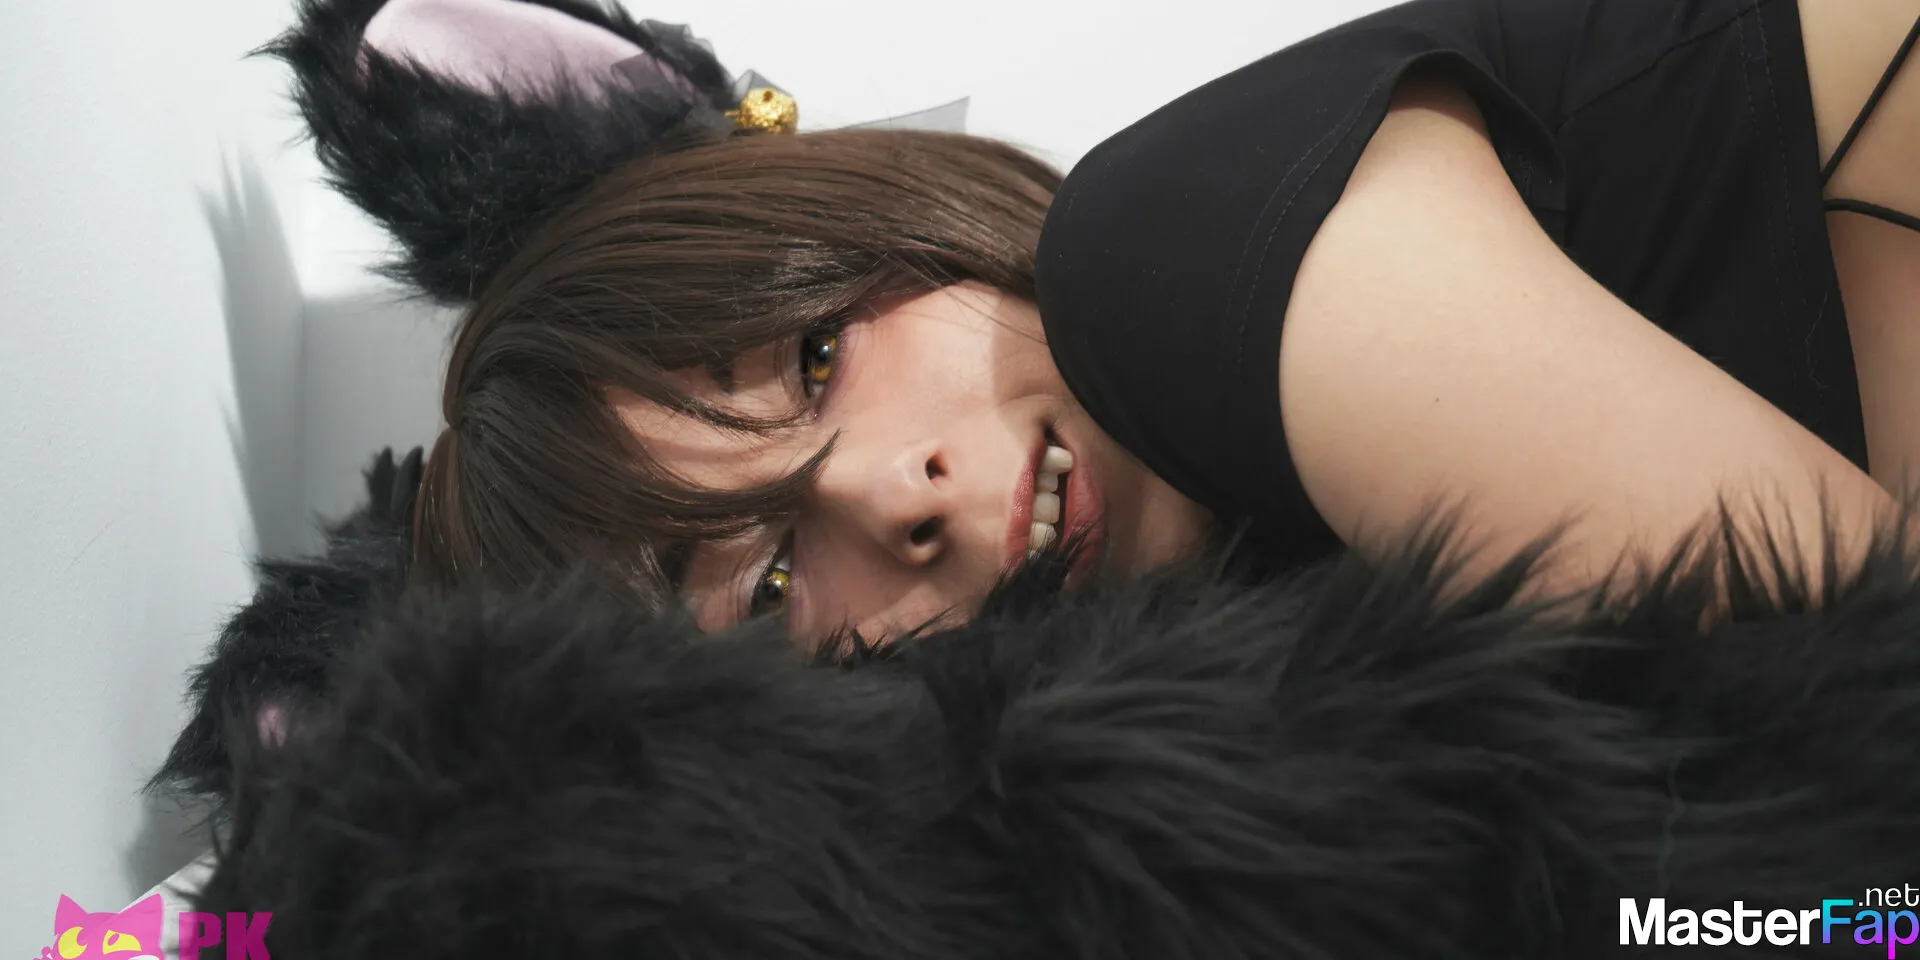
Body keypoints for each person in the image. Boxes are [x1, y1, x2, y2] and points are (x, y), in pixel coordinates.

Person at [304, 0, 1920, 647]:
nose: (898, 493)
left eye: (813, 356)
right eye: (772, 579)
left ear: (873, 210)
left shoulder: (1161, 252)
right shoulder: (1267, 649)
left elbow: (1871, 836)